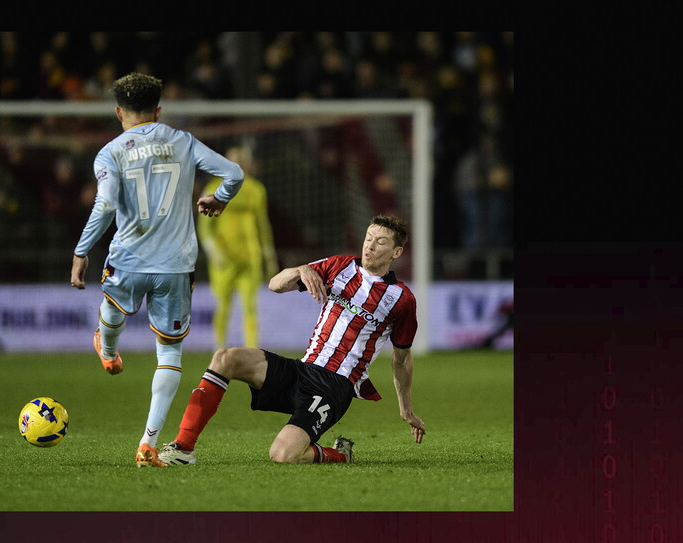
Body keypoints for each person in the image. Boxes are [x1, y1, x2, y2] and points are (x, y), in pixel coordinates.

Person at [70, 72, 244, 467]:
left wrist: (82, 251)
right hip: (176, 265)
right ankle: (148, 443)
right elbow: (234, 173)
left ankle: (108, 348)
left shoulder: (110, 152)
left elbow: (106, 205)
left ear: (119, 112)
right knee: (169, 352)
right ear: (159, 110)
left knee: (112, 308)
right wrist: (218, 199)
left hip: (128, 258)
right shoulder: (182, 141)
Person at [158, 215, 426, 466]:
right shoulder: (341, 265)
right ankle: (183, 449)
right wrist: (300, 270)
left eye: (381, 242)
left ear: (396, 252)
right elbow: (275, 284)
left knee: (283, 455)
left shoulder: (401, 299)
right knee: (225, 358)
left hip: (333, 387)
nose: (370, 246)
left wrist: (406, 408)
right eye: (368, 237)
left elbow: (401, 359)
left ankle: (339, 455)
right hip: (301, 370)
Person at [198, 146, 277, 349]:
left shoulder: (256, 189)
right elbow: (205, 227)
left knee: (250, 307)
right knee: (223, 305)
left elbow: (262, 224)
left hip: (250, 257)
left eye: (242, 160)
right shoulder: (214, 188)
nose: (239, 164)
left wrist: (268, 254)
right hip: (225, 258)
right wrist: (214, 251)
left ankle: (251, 351)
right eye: (235, 160)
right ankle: (219, 350)